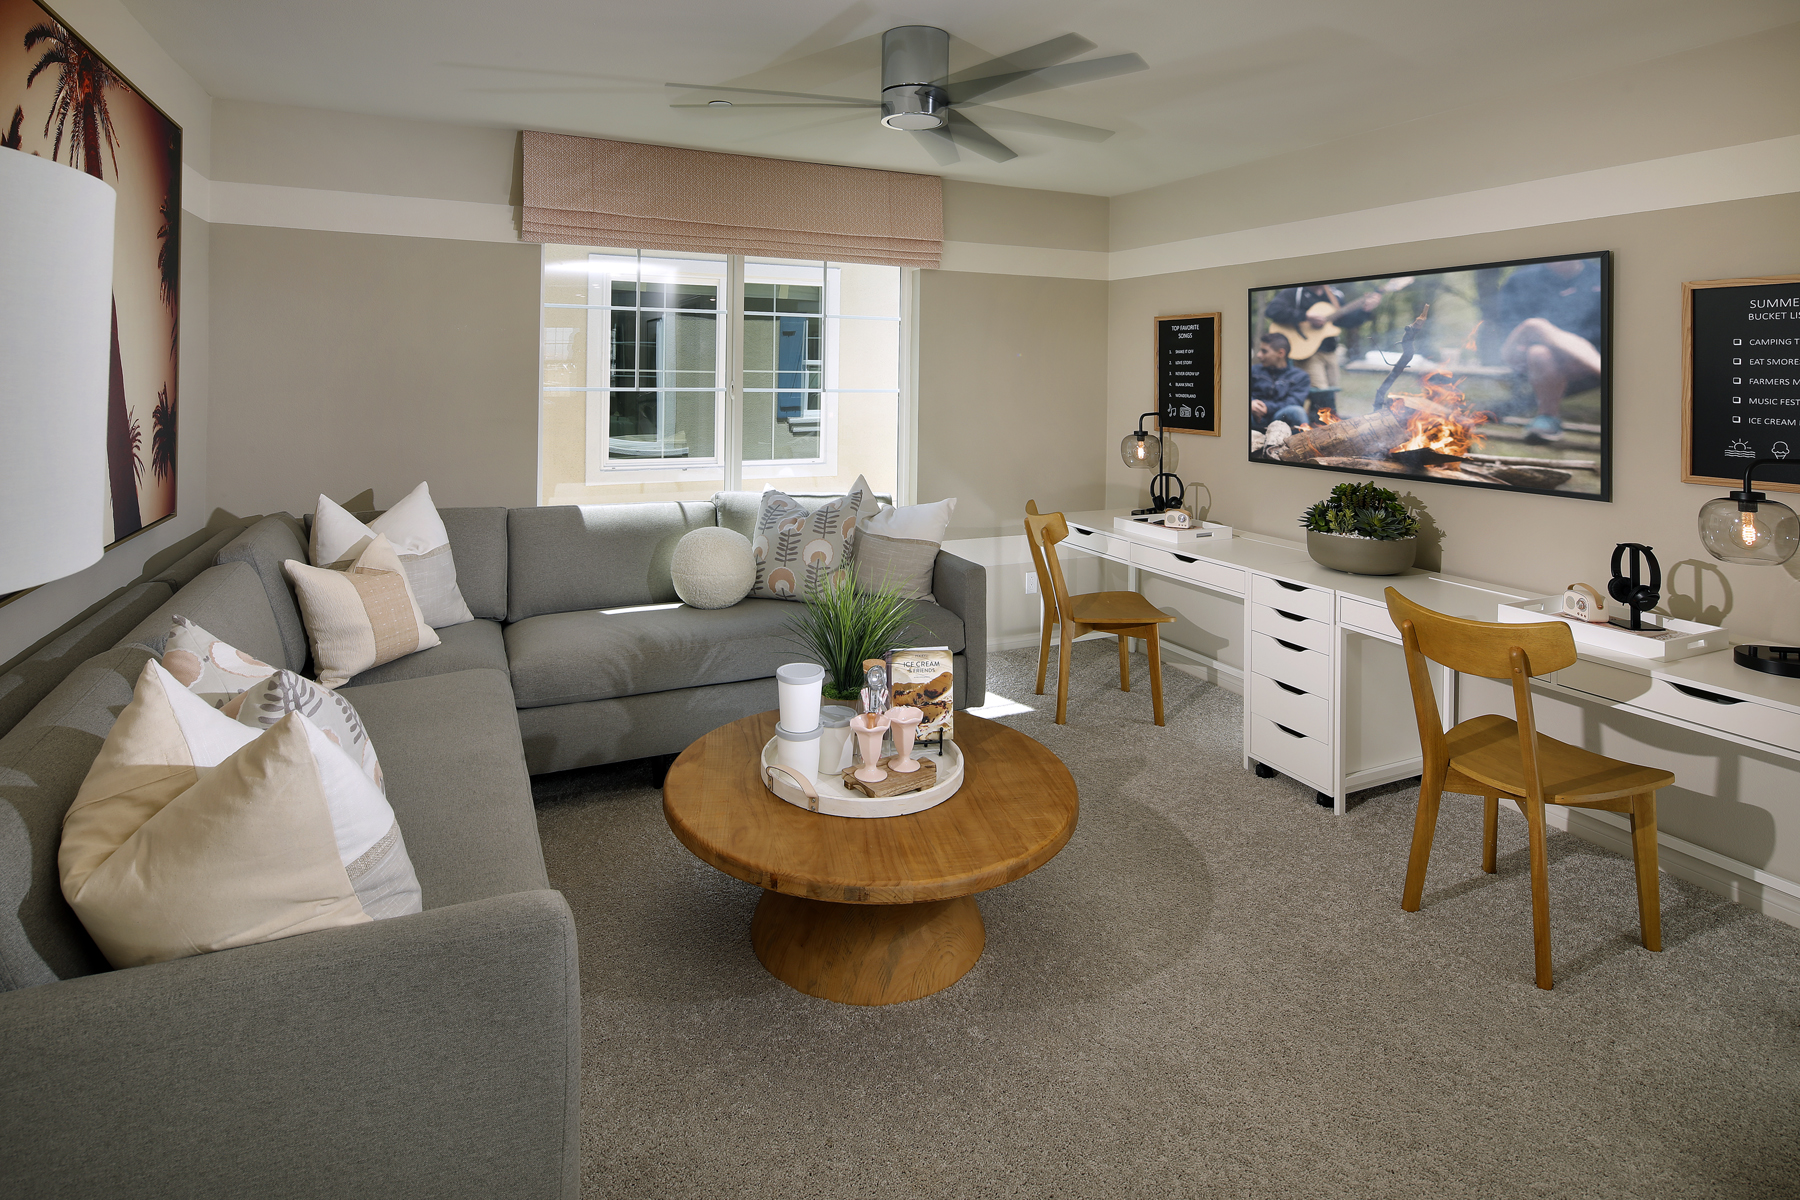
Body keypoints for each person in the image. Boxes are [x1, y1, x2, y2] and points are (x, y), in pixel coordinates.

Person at [1495, 258, 1603, 444]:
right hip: (1521, 353)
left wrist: (1561, 345)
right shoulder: (1522, 280)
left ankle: (1547, 419)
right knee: (1535, 326)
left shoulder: (1599, 277)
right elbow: (1509, 325)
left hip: (1576, 356)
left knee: (1540, 352)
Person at [1262, 283, 1384, 418]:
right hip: (1307, 352)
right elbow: (1272, 310)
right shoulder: (1295, 292)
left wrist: (1364, 311)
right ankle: (1313, 426)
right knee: (1321, 392)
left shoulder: (1335, 295)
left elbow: (1345, 321)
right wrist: (1305, 316)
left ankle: (1322, 424)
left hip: (1330, 351)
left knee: (1332, 393)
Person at [1251, 332, 1312, 433]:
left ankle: (1305, 447)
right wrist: (1249, 403)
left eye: (1264, 351)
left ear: (1281, 353)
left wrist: (1267, 407)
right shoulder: (1253, 371)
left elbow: (1294, 402)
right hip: (1252, 417)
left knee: (1297, 411)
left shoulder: (1300, 376)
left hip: (1279, 418)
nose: (1259, 355)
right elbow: (1239, 393)